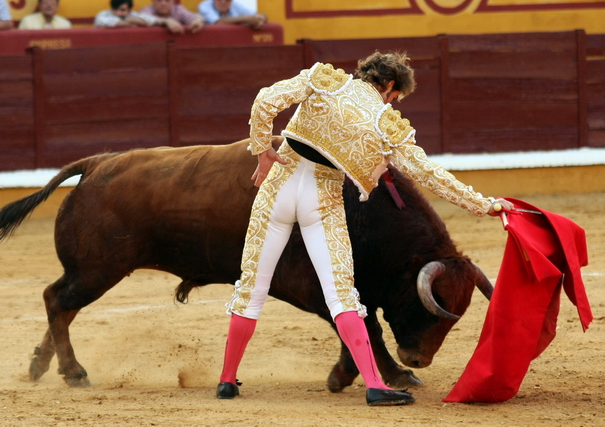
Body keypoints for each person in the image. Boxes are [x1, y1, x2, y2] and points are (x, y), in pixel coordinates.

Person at [216, 51, 515, 406]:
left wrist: (263, 148)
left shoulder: (324, 80)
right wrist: (484, 204)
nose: (393, 103)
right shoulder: (387, 124)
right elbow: (429, 175)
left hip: (278, 184)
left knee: (251, 288)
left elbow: (265, 100)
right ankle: (375, 384)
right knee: (341, 294)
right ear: (389, 85)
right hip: (322, 197)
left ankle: (226, 381)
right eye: (396, 97)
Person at [139, 0, 204, 34]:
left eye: (167, 0)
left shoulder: (177, 9)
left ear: (172, 2)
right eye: (159, 0)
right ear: (153, 1)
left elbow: (195, 17)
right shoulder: (147, 10)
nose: (163, 3)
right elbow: (142, 18)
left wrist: (197, 21)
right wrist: (166, 21)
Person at [198, 0, 267, 30]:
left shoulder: (235, 5)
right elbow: (218, 22)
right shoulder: (205, 5)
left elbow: (260, 15)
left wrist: (259, 20)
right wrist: (246, 19)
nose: (223, 1)